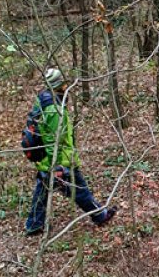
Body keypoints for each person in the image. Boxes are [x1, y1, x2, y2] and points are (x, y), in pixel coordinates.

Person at [25, 68, 116, 236]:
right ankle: (99, 216)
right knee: (79, 190)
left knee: (43, 191)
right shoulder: (53, 109)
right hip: (60, 161)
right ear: (59, 85)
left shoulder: (44, 100)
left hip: (46, 160)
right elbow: (54, 140)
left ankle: (34, 224)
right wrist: (58, 166)